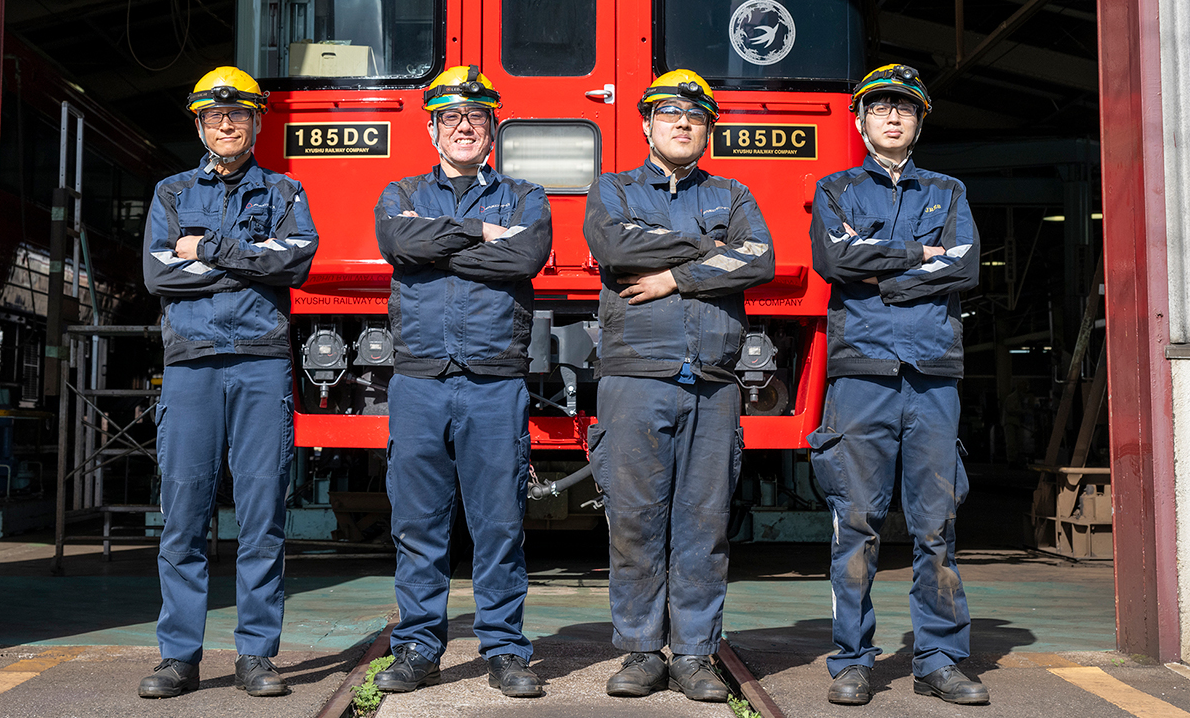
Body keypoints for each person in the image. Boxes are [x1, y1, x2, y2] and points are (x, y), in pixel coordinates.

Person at [582, 69, 775, 703]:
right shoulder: (613, 190)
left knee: (703, 521)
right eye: (669, 115)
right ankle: (640, 650)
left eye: (695, 116)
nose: (683, 123)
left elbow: (760, 257)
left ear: (708, 129)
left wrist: (673, 276)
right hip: (637, 374)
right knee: (635, 517)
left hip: (713, 381)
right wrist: (707, 250)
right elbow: (614, 247)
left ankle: (694, 653)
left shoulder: (733, 191)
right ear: (646, 125)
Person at [807, 63, 986, 707]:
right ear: (859, 121)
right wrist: (919, 256)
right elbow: (836, 260)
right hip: (863, 373)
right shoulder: (835, 190)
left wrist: (883, 274)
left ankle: (939, 657)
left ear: (917, 123)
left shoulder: (949, 190)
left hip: (933, 373)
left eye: (904, 109)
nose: (891, 116)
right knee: (856, 521)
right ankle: (852, 658)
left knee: (935, 524)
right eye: (879, 107)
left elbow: (965, 267)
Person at [371, 66, 552, 699]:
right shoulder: (399, 191)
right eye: (452, 118)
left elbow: (525, 257)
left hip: (493, 380)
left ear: (492, 129)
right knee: (418, 521)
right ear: (432, 130)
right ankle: (419, 643)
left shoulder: (526, 198)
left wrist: (436, 246)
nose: (465, 126)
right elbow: (397, 240)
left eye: (476, 118)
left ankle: (504, 646)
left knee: (498, 519)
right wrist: (477, 233)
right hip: (419, 379)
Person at [138, 67, 318, 699]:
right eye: (214, 116)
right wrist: (247, 261)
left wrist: (207, 251)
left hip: (260, 360)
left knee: (262, 513)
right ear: (198, 123)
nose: (226, 123)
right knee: (183, 513)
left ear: (257, 122)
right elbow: (159, 277)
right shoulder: (169, 192)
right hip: (191, 363)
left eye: (238, 114)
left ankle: (256, 657)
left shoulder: (285, 191)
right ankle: (178, 657)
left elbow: (294, 260)